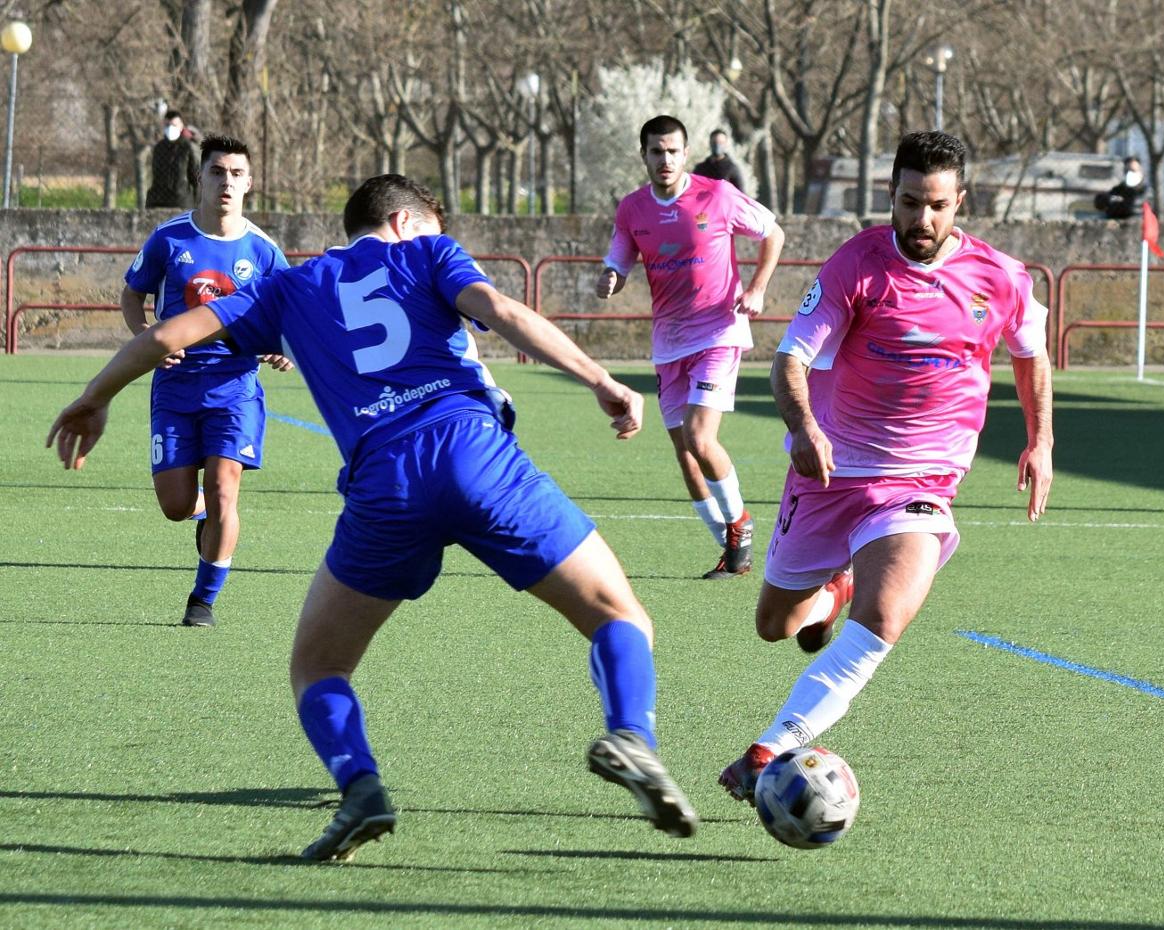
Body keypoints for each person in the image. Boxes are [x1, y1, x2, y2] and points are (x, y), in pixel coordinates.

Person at [50, 174, 699, 861]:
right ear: (402, 222)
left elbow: (169, 332)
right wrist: (601, 381)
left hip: (384, 484)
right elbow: (502, 309)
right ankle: (631, 735)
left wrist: (96, 396)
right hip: (473, 454)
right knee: (619, 616)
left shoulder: (290, 288)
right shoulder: (428, 254)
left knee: (317, 668)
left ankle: (360, 789)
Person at [717, 130, 1054, 801]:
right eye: (907, 203)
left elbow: (1030, 354)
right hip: (831, 471)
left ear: (961, 201)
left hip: (922, 480)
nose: (920, 220)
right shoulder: (856, 266)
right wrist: (805, 427)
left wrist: (1041, 440)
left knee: (885, 617)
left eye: (935, 205)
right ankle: (835, 587)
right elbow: (790, 360)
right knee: (775, 625)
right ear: (890, 195)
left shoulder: (1002, 278)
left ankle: (770, 747)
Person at [596, 114, 785, 580]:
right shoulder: (632, 209)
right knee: (686, 454)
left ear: (685, 153)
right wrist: (611, 279)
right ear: (644, 155)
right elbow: (619, 261)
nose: (665, 160)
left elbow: (773, 232)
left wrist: (758, 287)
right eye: (656, 152)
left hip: (719, 332)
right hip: (669, 341)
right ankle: (729, 548)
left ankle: (740, 524)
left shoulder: (716, 194)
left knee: (702, 439)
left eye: (673, 151)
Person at [121, 133, 292, 628]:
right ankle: (208, 520)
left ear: (250, 184)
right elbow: (131, 297)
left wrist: (282, 348)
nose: (227, 182)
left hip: (235, 386)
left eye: (237, 174)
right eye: (218, 172)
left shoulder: (262, 250)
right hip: (175, 388)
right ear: (200, 177)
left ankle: (203, 600)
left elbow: (290, 310)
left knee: (224, 490)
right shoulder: (169, 239)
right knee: (176, 506)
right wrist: (150, 338)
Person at [146, 111, 199, 210]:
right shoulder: (159, 148)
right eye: (167, 125)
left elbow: (196, 179)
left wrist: (198, 205)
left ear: (181, 126)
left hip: (182, 203)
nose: (170, 128)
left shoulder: (189, 147)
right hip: (159, 202)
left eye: (174, 125)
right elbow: (155, 177)